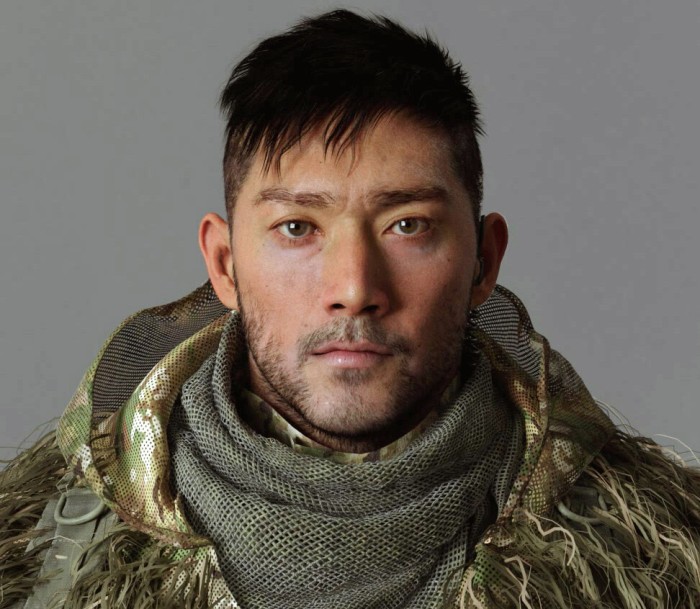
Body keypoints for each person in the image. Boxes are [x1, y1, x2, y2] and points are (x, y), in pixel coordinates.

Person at [2, 9, 699, 609]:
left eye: (407, 226)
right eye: (297, 228)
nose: (355, 286)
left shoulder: (659, 560)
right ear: (224, 264)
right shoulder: (43, 556)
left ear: (484, 261)